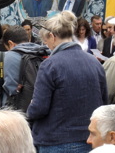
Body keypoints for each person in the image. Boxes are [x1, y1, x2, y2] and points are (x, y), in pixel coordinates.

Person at [27, 11, 108, 152]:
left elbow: (39, 108)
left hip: (56, 141)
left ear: (52, 36)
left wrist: (29, 109)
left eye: (46, 41)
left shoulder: (50, 65)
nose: (47, 45)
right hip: (90, 140)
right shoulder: (94, 63)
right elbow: (104, 102)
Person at [0, 25, 50, 108]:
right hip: (41, 112)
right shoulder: (45, 54)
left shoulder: (3, 57)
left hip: (13, 115)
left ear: (10, 43)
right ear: (28, 40)